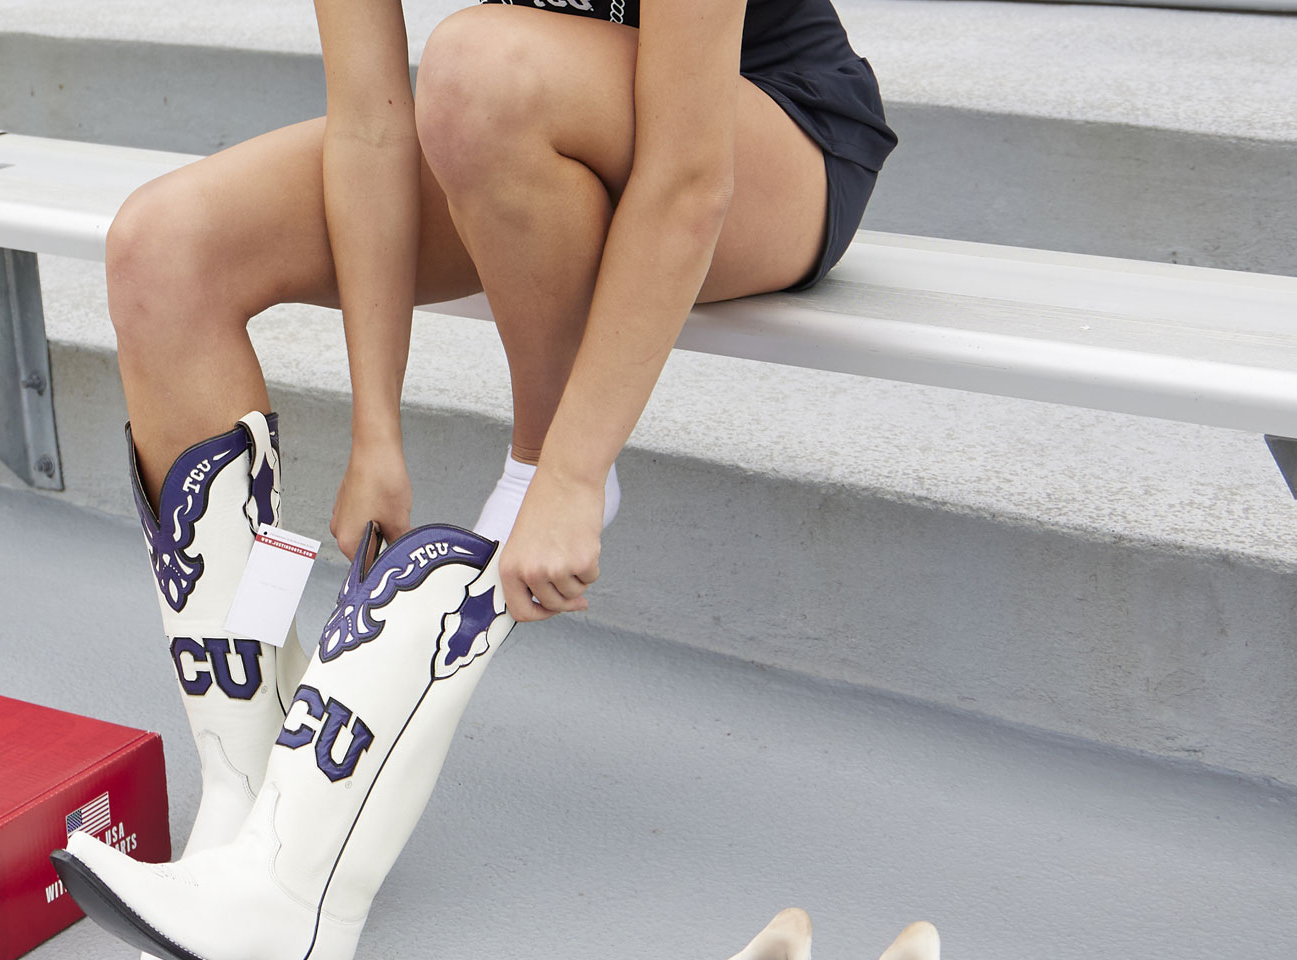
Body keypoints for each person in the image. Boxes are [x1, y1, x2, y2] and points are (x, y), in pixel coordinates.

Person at [51, 1, 900, 958]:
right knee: (165, 246)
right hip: (521, 128)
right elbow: (371, 124)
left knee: (478, 68)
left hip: (759, 134)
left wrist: (569, 472)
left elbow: (691, 177)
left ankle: (296, 888)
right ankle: (249, 812)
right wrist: (379, 424)